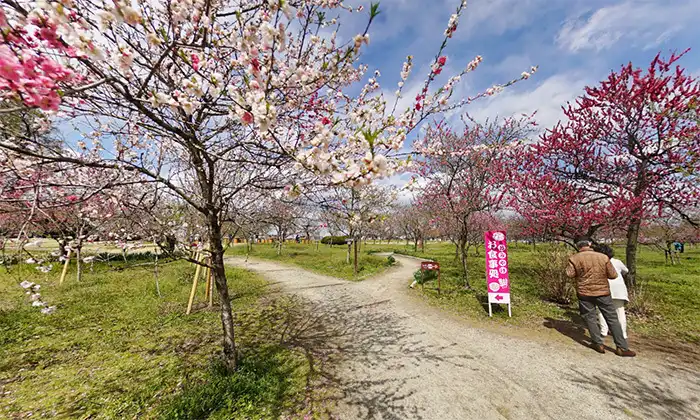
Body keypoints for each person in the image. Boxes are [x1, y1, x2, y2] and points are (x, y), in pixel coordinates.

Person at [566, 238, 636, 357]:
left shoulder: (574, 258)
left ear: (578, 246)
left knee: (590, 318)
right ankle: (622, 347)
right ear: (589, 244)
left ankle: (597, 343)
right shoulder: (603, 257)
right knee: (612, 318)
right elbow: (613, 275)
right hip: (603, 292)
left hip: (585, 293)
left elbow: (569, 274)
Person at [592, 244, 629, 339]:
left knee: (601, 310)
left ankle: (603, 331)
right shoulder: (617, 262)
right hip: (619, 290)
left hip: (603, 288)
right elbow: (626, 271)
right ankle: (623, 333)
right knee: (620, 311)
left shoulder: (596, 263)